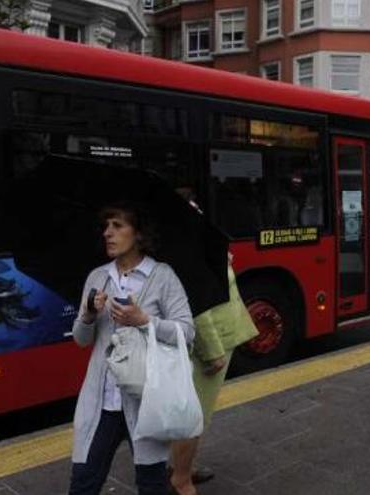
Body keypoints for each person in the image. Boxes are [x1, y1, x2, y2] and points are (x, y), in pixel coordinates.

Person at [69, 202, 195, 495]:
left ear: (138, 234)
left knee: (151, 484)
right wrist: (88, 314)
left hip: (146, 400)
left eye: (117, 226)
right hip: (101, 403)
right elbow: (81, 339)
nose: (108, 233)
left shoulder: (162, 276)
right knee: (83, 482)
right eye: (106, 227)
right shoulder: (97, 277)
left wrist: (144, 320)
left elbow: (187, 332)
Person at [168, 254, 258, 495]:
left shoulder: (197, 241)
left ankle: (180, 465)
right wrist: (211, 350)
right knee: (194, 415)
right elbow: (194, 301)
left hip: (218, 334)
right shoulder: (187, 246)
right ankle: (181, 480)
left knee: (192, 411)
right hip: (210, 341)